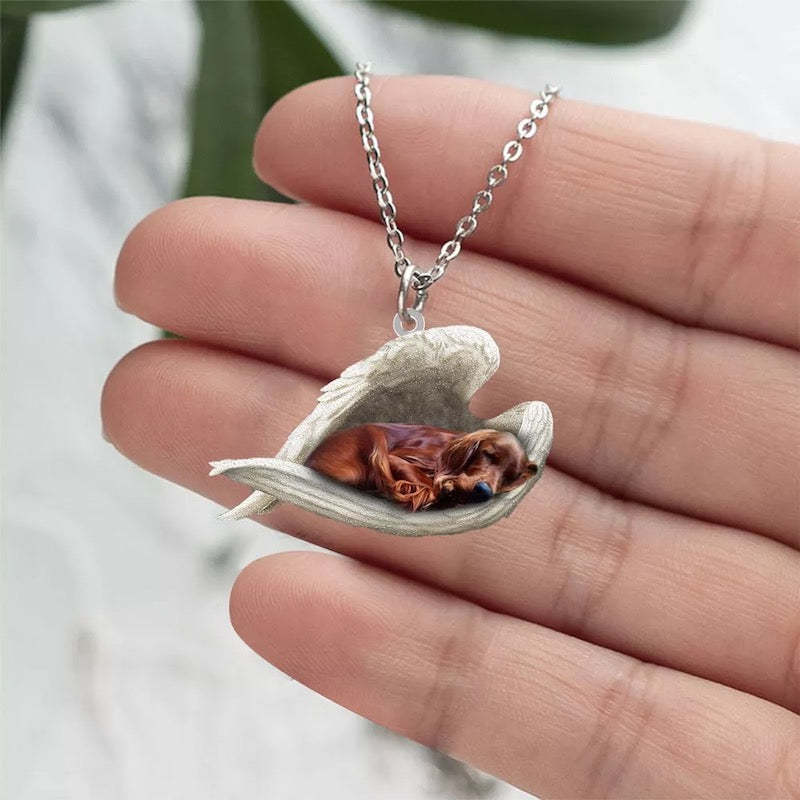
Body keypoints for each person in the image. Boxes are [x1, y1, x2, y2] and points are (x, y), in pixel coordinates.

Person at [101, 75, 800, 798]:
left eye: (499, 461)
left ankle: (282, 478)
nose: (492, 459)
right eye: (498, 452)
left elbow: (438, 484)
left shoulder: (466, 474)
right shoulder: (439, 422)